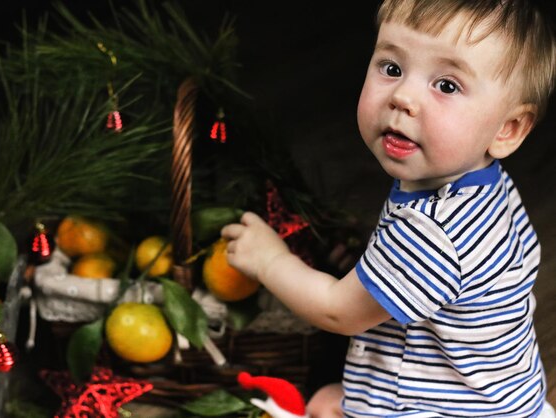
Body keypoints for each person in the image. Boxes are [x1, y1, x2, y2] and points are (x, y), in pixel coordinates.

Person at [220, 0, 556, 416]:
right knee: (330, 400)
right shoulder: (486, 188)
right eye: (392, 68)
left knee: (312, 404)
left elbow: (337, 311)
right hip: (497, 394)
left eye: (447, 86)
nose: (403, 97)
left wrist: (269, 259)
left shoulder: (433, 231)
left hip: (447, 410)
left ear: (507, 129)